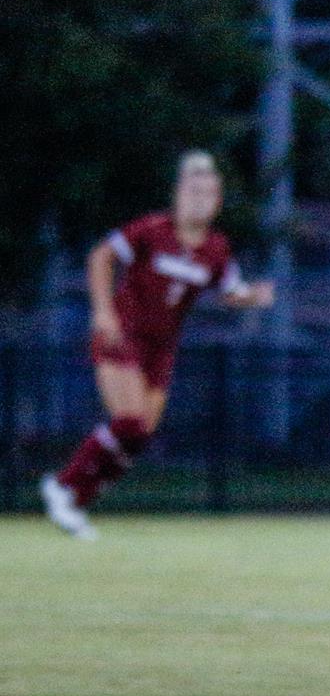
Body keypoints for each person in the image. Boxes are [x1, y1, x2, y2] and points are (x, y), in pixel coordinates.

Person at [41, 151, 275, 539]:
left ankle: (75, 501)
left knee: (138, 437)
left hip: (161, 348)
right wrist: (102, 312)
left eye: (208, 194)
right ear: (178, 194)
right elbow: (101, 256)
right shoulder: (152, 230)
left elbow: (231, 290)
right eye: (193, 191)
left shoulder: (216, 250)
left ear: (217, 203)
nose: (199, 200)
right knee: (129, 421)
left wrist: (253, 297)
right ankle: (63, 487)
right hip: (123, 334)